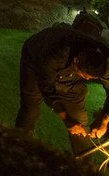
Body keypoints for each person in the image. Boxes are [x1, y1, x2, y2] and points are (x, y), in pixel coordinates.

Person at [15, 13, 109, 154]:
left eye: (93, 78)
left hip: (71, 73)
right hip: (35, 59)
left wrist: (104, 119)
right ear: (76, 61)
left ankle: (83, 161)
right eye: (86, 77)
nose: (88, 80)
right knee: (31, 108)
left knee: (79, 120)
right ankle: (18, 147)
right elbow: (46, 88)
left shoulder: (104, 59)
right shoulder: (56, 54)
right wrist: (66, 120)